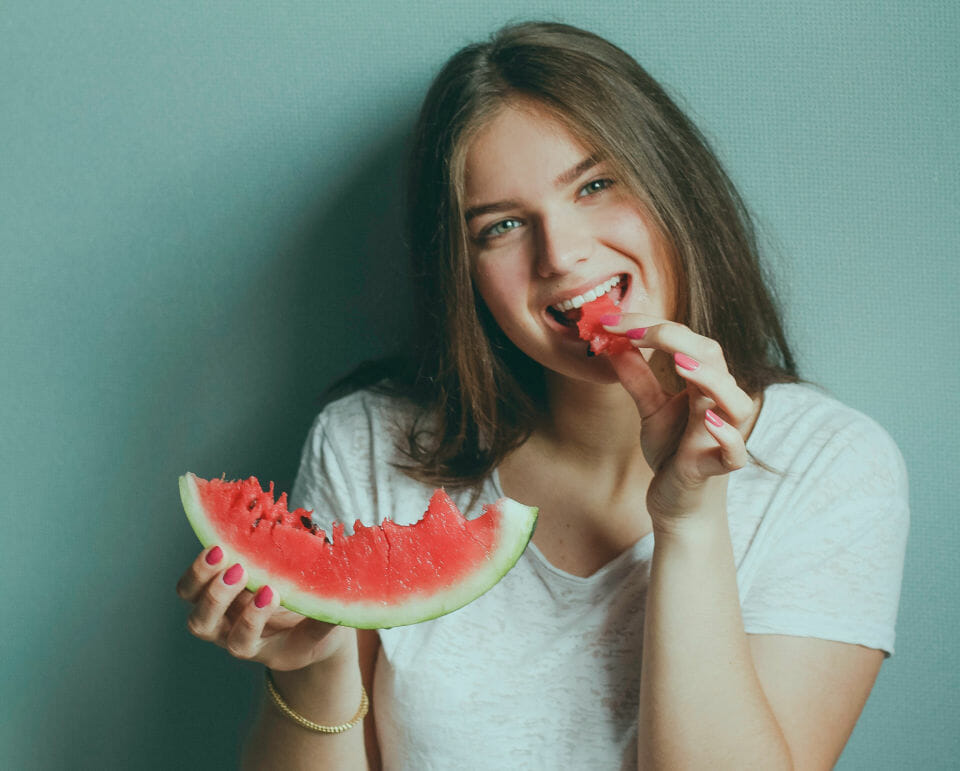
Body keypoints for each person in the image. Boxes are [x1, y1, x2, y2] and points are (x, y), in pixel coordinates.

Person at [176, 21, 909, 769]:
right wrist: (316, 662)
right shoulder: (367, 444)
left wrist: (688, 523)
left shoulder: (832, 467)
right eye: (502, 227)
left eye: (595, 186)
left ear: (673, 184)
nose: (562, 255)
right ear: (462, 268)